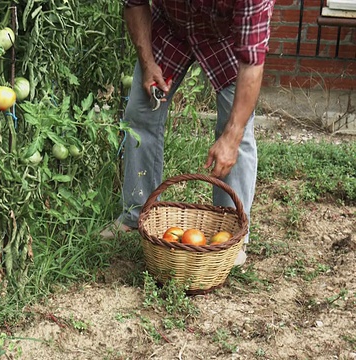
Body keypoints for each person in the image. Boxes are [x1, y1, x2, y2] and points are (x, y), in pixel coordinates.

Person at [101, 0, 275, 266]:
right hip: (170, 28)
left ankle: (229, 237)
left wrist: (232, 135)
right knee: (140, 114)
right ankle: (134, 216)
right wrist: (148, 64)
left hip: (226, 38)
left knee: (236, 133)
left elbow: (252, 62)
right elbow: (134, 4)